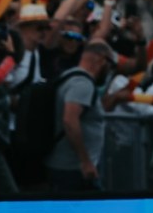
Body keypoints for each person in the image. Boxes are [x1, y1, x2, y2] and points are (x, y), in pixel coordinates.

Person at [46, 40, 117, 192]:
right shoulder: (82, 84)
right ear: (101, 60)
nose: (110, 70)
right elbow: (70, 120)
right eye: (111, 64)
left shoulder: (69, 77)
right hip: (72, 169)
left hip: (70, 166)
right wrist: (85, 161)